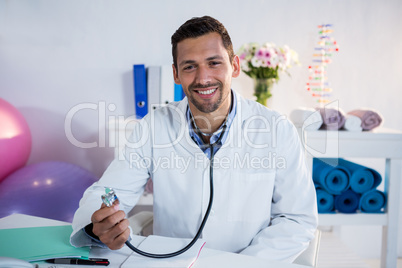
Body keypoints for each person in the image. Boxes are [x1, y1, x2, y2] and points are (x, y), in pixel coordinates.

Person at [70, 16, 318, 263]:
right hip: (173, 263)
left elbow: (297, 219)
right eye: (190, 66)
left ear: (235, 66)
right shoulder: (153, 126)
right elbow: (108, 191)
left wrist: (242, 264)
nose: (203, 78)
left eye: (214, 63)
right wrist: (98, 226)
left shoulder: (277, 129)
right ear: (176, 74)